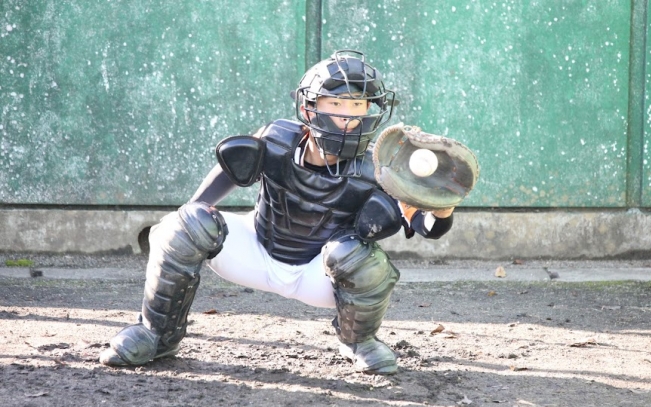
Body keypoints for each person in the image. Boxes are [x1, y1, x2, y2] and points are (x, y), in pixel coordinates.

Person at [99, 50, 455, 375]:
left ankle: (359, 341)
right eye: (337, 103)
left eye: (358, 105)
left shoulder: (380, 168)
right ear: (309, 108)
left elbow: (427, 227)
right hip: (256, 249)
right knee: (186, 223)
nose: (348, 116)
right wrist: (192, 214)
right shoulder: (279, 138)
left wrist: (441, 209)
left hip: (320, 275)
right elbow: (227, 173)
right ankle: (157, 335)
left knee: (361, 257)